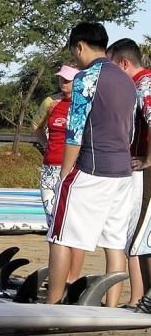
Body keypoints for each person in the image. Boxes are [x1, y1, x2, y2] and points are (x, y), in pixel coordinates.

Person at [45, 22, 137, 306]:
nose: (75, 58)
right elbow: (131, 129)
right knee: (114, 243)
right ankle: (111, 307)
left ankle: (52, 304)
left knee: (60, 235)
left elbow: (74, 134)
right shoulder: (126, 80)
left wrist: (64, 174)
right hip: (123, 173)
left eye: (74, 52)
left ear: (80, 46)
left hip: (92, 169)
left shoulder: (87, 78)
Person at [107, 38, 151, 308]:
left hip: (145, 171)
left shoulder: (145, 84)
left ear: (124, 63)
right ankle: (141, 298)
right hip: (138, 167)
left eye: (113, 67)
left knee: (142, 235)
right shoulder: (139, 84)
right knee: (137, 235)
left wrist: (148, 158)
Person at [32, 64, 85, 284]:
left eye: (68, 79)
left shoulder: (85, 104)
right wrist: (47, 145)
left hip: (75, 171)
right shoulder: (50, 102)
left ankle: (71, 279)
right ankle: (57, 276)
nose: (64, 82)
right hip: (50, 170)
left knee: (74, 226)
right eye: (61, 78)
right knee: (53, 226)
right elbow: (35, 126)